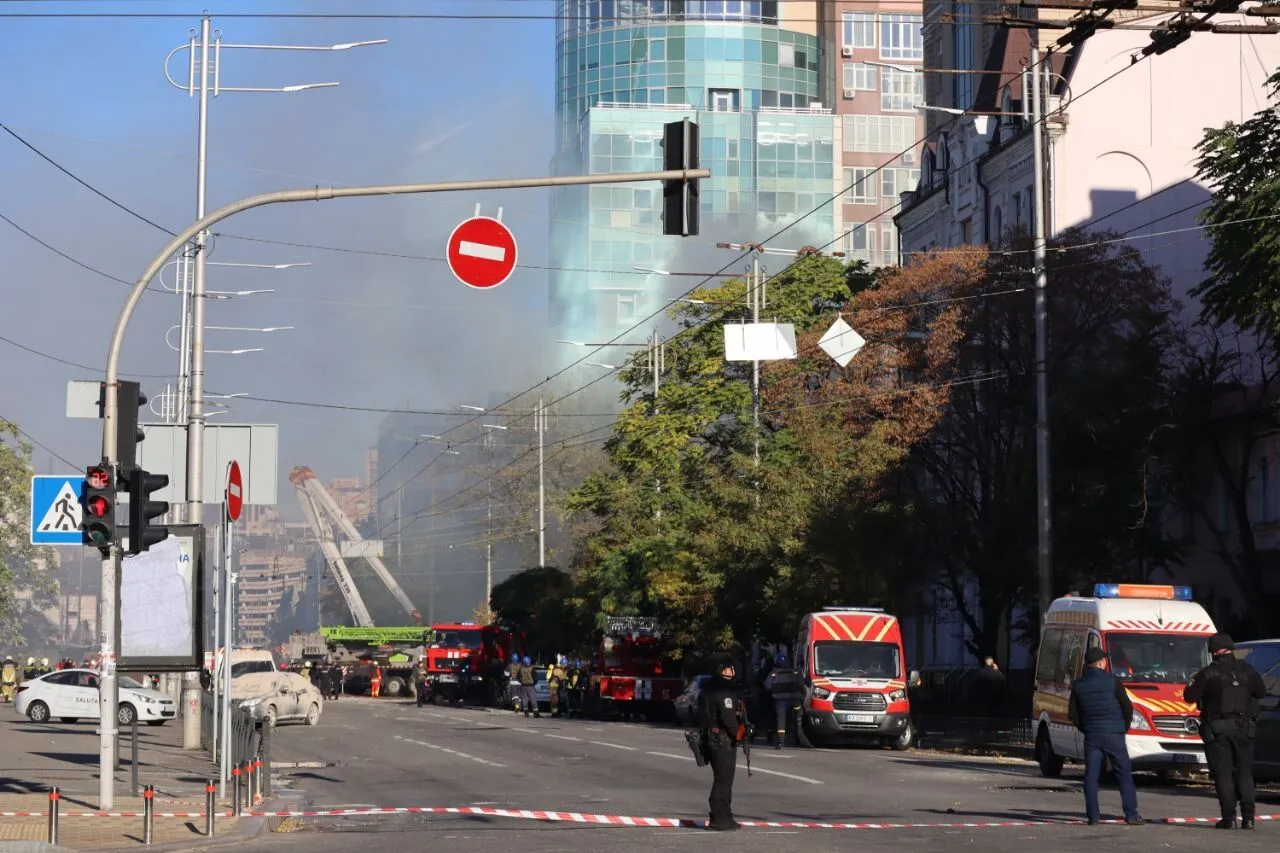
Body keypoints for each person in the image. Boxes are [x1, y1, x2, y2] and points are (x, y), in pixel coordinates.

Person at [1185, 632, 1266, 829]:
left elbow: (1189, 696)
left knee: (1223, 774)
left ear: (1213, 652)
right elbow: (1261, 692)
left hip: (1218, 730)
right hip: (1244, 729)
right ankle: (1249, 818)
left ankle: (1229, 818)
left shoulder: (1208, 673)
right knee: (1244, 772)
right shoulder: (1248, 670)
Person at [1068, 647, 1142, 826]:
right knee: (1123, 774)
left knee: (1091, 776)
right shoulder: (1113, 681)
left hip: (1093, 736)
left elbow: (1073, 714)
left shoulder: (1078, 685)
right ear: (1102, 662)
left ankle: (1093, 816)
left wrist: (1086, 728)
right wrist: (1122, 727)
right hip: (1114, 734)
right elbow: (1127, 707)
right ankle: (1131, 814)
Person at [698, 654, 744, 831]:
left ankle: (725, 815)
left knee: (722, 778)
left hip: (711, 739)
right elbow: (729, 720)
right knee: (723, 780)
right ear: (720, 670)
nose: (732, 671)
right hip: (722, 741)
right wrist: (740, 735)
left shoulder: (707, 690)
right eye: (728, 668)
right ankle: (720, 817)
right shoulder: (724, 692)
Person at [765, 648, 802, 749]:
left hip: (780, 701)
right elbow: (801, 683)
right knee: (797, 717)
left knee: (781, 720)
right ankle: (798, 735)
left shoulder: (774, 673)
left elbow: (767, 685)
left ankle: (781, 742)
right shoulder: (794, 672)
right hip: (794, 700)